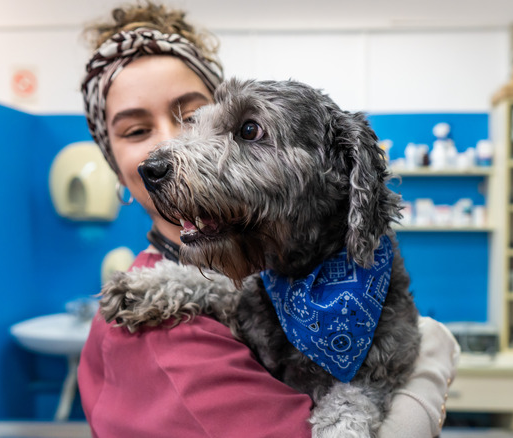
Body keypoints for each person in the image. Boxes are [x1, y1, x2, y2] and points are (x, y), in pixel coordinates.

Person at [77, 3, 460, 437]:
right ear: (112, 161)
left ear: (346, 171)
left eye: (195, 118)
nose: (167, 148)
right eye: (135, 131)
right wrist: (430, 373)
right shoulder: (170, 341)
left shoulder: (272, 272)